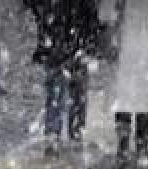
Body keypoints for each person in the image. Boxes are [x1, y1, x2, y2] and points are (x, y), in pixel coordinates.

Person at [102, 0, 148, 167]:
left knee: (124, 101)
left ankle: (123, 146)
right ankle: (142, 147)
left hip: (123, 50)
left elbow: (104, 15)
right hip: (146, 52)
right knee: (144, 102)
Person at [32, 0, 102, 152]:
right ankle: (69, 132)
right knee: (70, 86)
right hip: (70, 34)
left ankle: (57, 134)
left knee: (61, 87)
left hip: (61, 34)